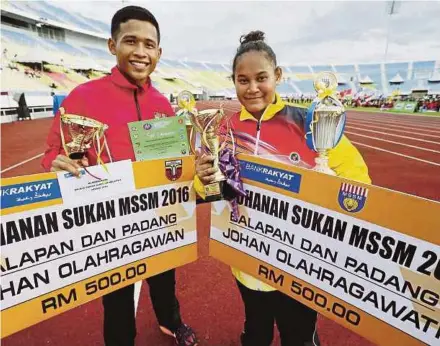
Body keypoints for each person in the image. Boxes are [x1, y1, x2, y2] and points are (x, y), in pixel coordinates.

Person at [194, 30, 371, 346]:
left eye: (261, 77)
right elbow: (209, 195)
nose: (252, 88)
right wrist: (204, 180)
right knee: (257, 332)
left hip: (299, 264)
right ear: (233, 81)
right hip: (247, 260)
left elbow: (359, 185)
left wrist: (328, 185)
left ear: (277, 75)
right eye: (242, 80)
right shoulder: (225, 130)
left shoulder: (310, 123)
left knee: (299, 336)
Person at [41, 6, 198, 346]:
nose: (140, 52)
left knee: (164, 278)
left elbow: (175, 160)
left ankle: (172, 322)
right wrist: (58, 163)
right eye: (131, 41)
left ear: (158, 52)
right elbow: (52, 153)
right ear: (112, 45)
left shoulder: (163, 104)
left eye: (149, 44)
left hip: (159, 217)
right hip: (110, 225)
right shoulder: (83, 97)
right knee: (116, 298)